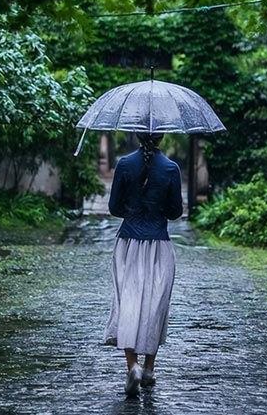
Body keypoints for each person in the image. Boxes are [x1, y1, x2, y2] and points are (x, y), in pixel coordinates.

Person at [104, 132, 183, 396]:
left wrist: (134, 207)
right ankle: (149, 368)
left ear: (137, 135)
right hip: (159, 244)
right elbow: (175, 212)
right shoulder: (171, 169)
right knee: (154, 305)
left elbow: (114, 207)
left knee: (128, 301)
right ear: (161, 136)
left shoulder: (125, 164)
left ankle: (132, 366)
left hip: (128, 243)